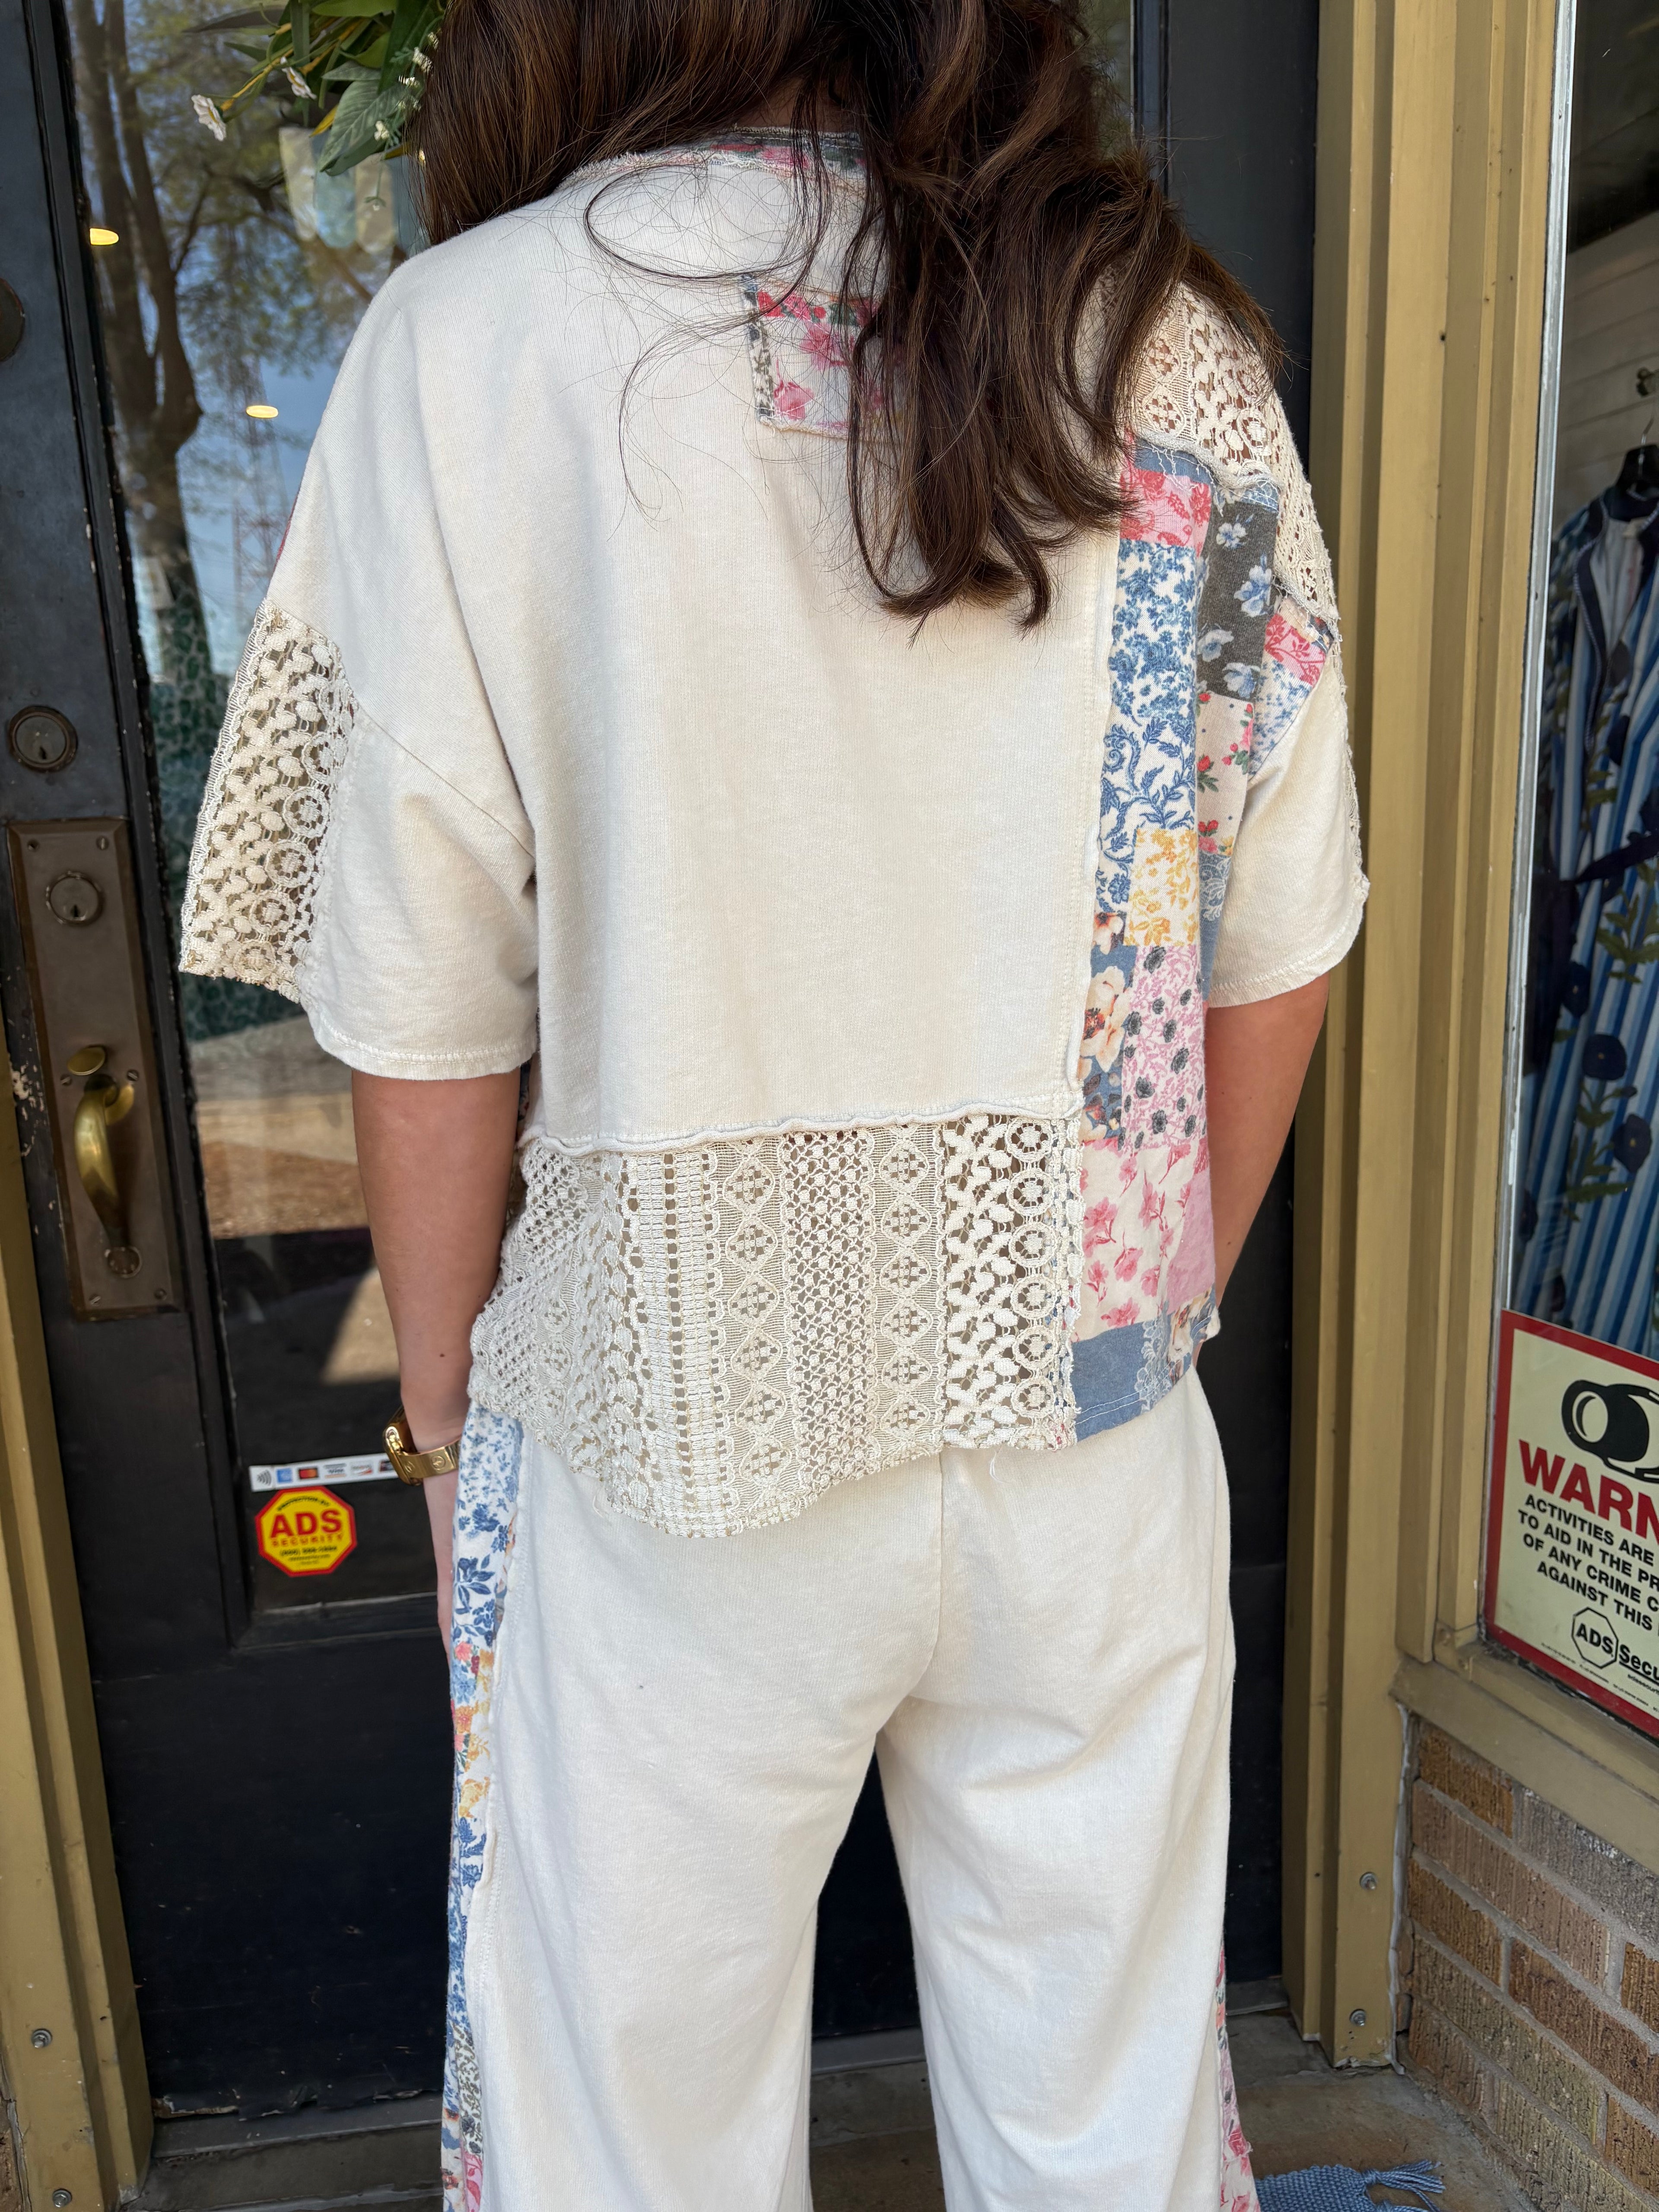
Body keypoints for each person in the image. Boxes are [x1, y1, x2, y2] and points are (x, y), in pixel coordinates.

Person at [181, 3, 1366, 2206]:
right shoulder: (1168, 344)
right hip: (1089, 1429)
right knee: (1105, 2117)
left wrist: (448, 1440)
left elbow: (426, 1011)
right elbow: (1278, 926)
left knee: (625, 2141)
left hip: (659, 1436)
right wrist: (1150, 1294)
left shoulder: (472, 345)